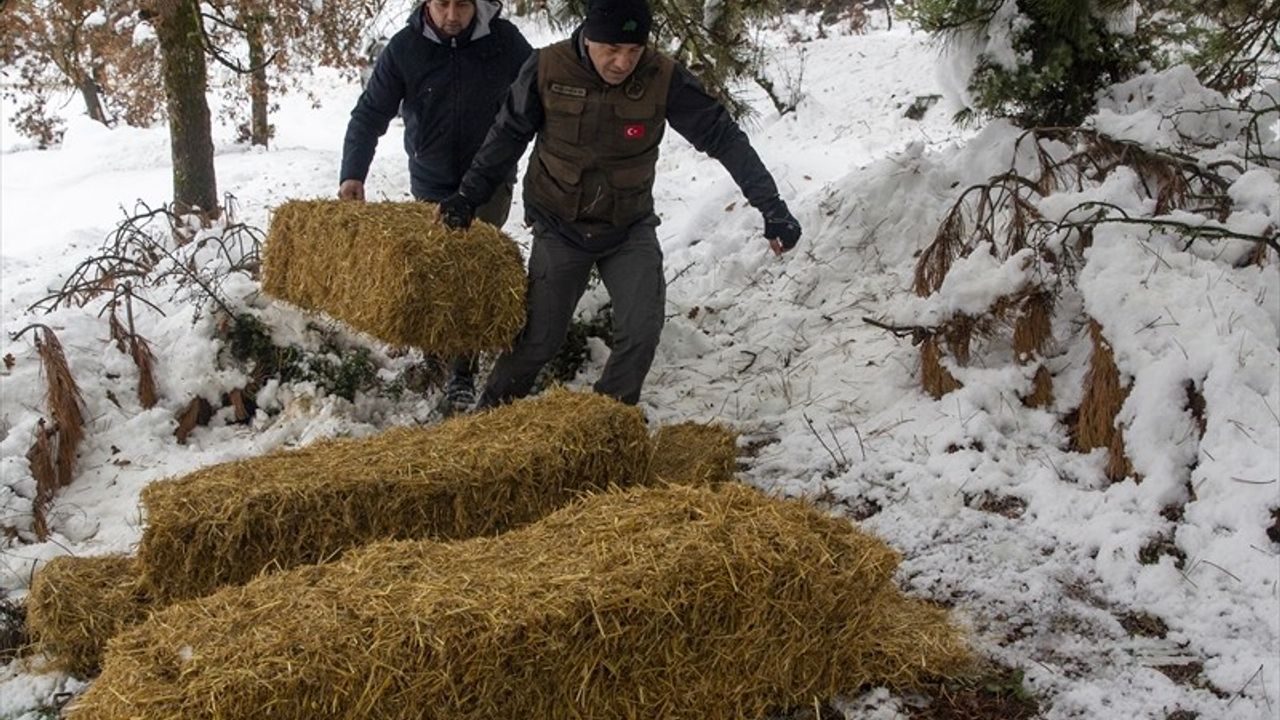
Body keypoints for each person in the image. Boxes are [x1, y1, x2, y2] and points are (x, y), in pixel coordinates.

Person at [436, 0, 802, 409]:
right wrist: (468, 196)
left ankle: (608, 419)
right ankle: (490, 414)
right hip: (560, 226)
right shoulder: (547, 68)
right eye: (611, 49)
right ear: (588, 36)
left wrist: (771, 206)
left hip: (628, 228)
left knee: (642, 331)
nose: (622, 62)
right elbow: (506, 136)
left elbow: (724, 137)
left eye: (633, 50)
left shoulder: (662, 76)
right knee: (539, 340)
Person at [338, 0, 532, 411]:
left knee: (469, 268)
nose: (451, 15)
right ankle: (438, 351)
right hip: (432, 180)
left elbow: (540, 99)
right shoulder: (406, 48)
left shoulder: (506, 43)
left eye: (461, 4)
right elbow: (369, 113)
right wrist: (353, 173)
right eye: (442, 3)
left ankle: (461, 371)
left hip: (489, 181)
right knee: (436, 269)